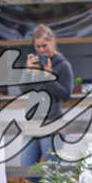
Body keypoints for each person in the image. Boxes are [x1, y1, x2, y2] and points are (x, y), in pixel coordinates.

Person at [16, 25, 74, 168]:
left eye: (44, 46)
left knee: (52, 170)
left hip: (52, 121)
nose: (41, 50)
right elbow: (23, 89)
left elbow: (66, 95)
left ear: (52, 41)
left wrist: (48, 76)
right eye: (38, 46)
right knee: (26, 168)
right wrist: (28, 70)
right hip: (32, 121)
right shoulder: (34, 63)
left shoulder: (63, 65)